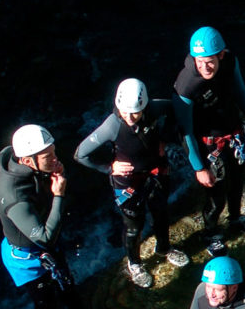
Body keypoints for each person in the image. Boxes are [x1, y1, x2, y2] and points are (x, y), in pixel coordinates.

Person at [0, 124, 112, 309]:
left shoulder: (28, 166)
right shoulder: (14, 195)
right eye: (49, 156)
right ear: (28, 160)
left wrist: (54, 172)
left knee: (66, 284)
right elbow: (44, 239)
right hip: (26, 257)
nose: (56, 158)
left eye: (54, 151)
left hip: (41, 243)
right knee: (45, 303)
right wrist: (58, 195)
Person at [75, 78, 190, 288]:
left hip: (156, 172)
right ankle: (135, 263)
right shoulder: (113, 124)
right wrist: (109, 167)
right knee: (133, 227)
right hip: (127, 181)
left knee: (161, 213)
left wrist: (164, 138)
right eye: (125, 111)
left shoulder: (155, 108)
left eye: (135, 112)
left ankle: (164, 248)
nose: (129, 117)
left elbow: (178, 108)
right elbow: (81, 154)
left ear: (144, 106)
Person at [174, 26, 245, 256]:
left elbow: (240, 90)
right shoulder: (186, 85)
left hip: (233, 131)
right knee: (216, 191)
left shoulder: (230, 61)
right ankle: (211, 232)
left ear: (221, 55)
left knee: (238, 180)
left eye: (210, 61)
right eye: (200, 61)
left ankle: (235, 218)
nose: (205, 67)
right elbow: (184, 132)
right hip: (209, 142)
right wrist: (199, 168)